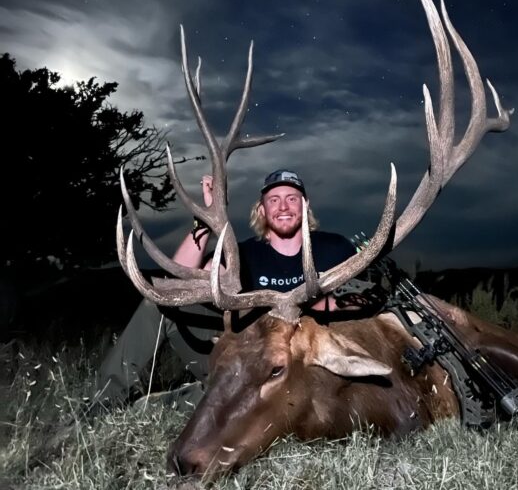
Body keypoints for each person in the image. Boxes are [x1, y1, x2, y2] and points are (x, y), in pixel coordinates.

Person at [93, 169, 357, 408]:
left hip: (302, 362)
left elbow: (360, 298)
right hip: (240, 355)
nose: (283, 206)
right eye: (273, 200)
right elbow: (177, 279)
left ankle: (182, 400)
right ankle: (103, 400)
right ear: (262, 210)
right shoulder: (240, 253)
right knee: (159, 305)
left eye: (292, 197)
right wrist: (206, 217)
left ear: (305, 204)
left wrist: (319, 306)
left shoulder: (335, 248)